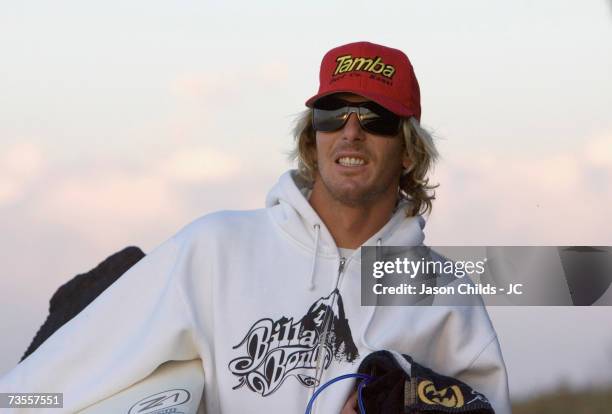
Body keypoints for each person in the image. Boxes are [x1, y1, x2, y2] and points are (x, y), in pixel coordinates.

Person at [0, 41, 511, 414]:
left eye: (374, 116)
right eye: (332, 113)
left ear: (409, 150)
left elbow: (488, 405)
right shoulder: (215, 249)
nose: (350, 131)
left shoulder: (448, 295)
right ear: (312, 139)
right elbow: (73, 369)